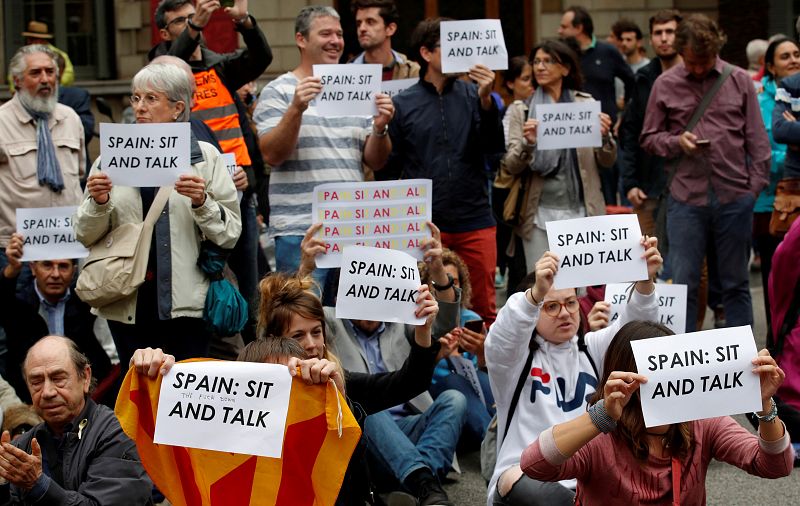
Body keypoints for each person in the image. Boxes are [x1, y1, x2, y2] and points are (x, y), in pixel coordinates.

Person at [75, 63, 241, 371]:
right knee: (139, 400)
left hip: (186, 307)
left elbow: (230, 233)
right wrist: (98, 202)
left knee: (185, 394)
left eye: (151, 99)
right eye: (136, 98)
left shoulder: (205, 158)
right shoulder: (109, 159)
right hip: (128, 303)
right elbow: (84, 234)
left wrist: (201, 201)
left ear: (178, 107)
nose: (139, 107)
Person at [520, 321, 794, 505]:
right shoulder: (602, 435)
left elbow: (776, 466)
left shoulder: (702, 420)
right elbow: (534, 465)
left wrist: (764, 406)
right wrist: (599, 417)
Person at [485, 238, 662, 506]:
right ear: (534, 313)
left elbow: (637, 333)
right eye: (551, 306)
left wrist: (645, 282)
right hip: (527, 482)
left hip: (587, 481)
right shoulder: (514, 363)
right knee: (521, 477)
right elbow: (504, 337)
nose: (565, 313)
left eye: (570, 303)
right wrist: (535, 294)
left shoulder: (593, 348)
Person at [640, 14, 771, 332]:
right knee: (682, 283)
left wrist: (750, 192)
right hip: (686, 199)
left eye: (704, 61)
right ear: (680, 52)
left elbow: (758, 143)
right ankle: (681, 363)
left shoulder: (739, 80)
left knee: (736, 284)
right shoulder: (665, 83)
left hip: (734, 197)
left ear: (716, 50)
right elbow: (648, 137)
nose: (698, 68)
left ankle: (743, 364)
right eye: (691, 61)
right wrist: (675, 142)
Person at [152, 0, 273, 341]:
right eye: (183, 21)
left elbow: (261, 58)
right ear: (165, 32)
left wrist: (246, 23)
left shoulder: (218, 67)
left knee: (248, 286)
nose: (195, 24)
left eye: (196, 17)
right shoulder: (159, 70)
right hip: (188, 207)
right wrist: (196, 28)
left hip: (236, 192)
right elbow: (174, 59)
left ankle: (252, 350)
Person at [254, 6, 394, 282]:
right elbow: (272, 154)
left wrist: (380, 128)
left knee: (349, 321)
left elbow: (375, 161)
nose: (336, 41)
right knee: (300, 316)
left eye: (340, 34)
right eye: (326, 33)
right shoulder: (278, 90)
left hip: (352, 229)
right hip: (301, 232)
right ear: (301, 40)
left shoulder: (357, 88)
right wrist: (296, 108)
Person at [383, 17, 505, 325]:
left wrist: (487, 101)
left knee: (483, 310)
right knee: (424, 309)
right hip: (425, 226)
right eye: (451, 46)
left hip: (474, 219)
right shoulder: (403, 103)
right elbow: (389, 170)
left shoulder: (476, 96)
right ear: (426, 53)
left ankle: (482, 372)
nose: (461, 55)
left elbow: (494, 151)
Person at [502, 39, 615, 273]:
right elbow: (511, 166)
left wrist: (605, 137)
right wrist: (528, 143)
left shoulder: (585, 105)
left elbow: (607, 161)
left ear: (565, 68)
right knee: (543, 283)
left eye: (548, 61)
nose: (540, 67)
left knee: (581, 288)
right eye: (536, 62)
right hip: (537, 216)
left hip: (583, 212)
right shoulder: (520, 111)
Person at [0, 335, 152, 504]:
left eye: (58, 378)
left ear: (85, 377)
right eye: (36, 381)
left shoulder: (118, 433)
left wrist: (39, 485)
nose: (47, 392)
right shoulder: (22, 447)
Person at [0, 233, 113, 403]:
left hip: (83, 396)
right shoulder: (18, 302)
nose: (55, 274)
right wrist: (11, 270)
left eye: (63, 266)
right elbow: (3, 301)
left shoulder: (86, 301)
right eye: (47, 265)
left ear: (74, 271)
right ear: (32, 267)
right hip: (28, 399)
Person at [0, 45, 85, 270]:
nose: (45, 79)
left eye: (50, 71)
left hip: (68, 246)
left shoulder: (71, 118)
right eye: (35, 73)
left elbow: (79, 175)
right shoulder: (1, 122)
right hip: (18, 251)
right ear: (17, 80)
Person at [419, 248, 496, 450]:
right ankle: (495, 446)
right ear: (426, 286)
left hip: (476, 398)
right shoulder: (418, 323)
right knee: (453, 380)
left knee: (480, 378)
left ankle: (504, 435)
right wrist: (439, 355)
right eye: (440, 280)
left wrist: (481, 353)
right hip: (440, 400)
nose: (447, 284)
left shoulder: (471, 319)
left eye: (452, 280)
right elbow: (413, 377)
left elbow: (486, 375)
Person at [558, 5, 633, 205]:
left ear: (579, 28)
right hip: (569, 137)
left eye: (564, 26)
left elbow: (633, 82)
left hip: (603, 136)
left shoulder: (608, 52)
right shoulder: (563, 56)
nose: (560, 31)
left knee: (608, 195)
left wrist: (624, 115)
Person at [620, 9, 683, 237]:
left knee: (694, 266)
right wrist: (630, 183)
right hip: (649, 186)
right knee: (646, 261)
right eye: (658, 33)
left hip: (690, 186)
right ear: (650, 38)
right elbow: (631, 133)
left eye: (670, 32)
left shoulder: (696, 75)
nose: (664, 38)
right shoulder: (644, 78)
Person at [754, 38, 800, 332]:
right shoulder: (760, 101)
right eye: (785, 56)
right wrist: (790, 145)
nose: (794, 60)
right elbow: (764, 150)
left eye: (797, 54)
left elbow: (786, 133)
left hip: (791, 188)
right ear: (770, 66)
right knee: (776, 270)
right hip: (769, 200)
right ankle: (776, 336)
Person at [350, 0, 419, 80]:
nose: (362, 28)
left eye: (370, 22)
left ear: (390, 29)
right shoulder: (346, 74)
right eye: (359, 24)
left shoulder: (413, 73)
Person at [18, 21, 74, 86]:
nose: (29, 41)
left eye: (33, 39)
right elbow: (13, 75)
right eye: (28, 38)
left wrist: (52, 84)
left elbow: (68, 76)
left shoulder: (60, 55)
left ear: (43, 39)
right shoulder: (22, 55)